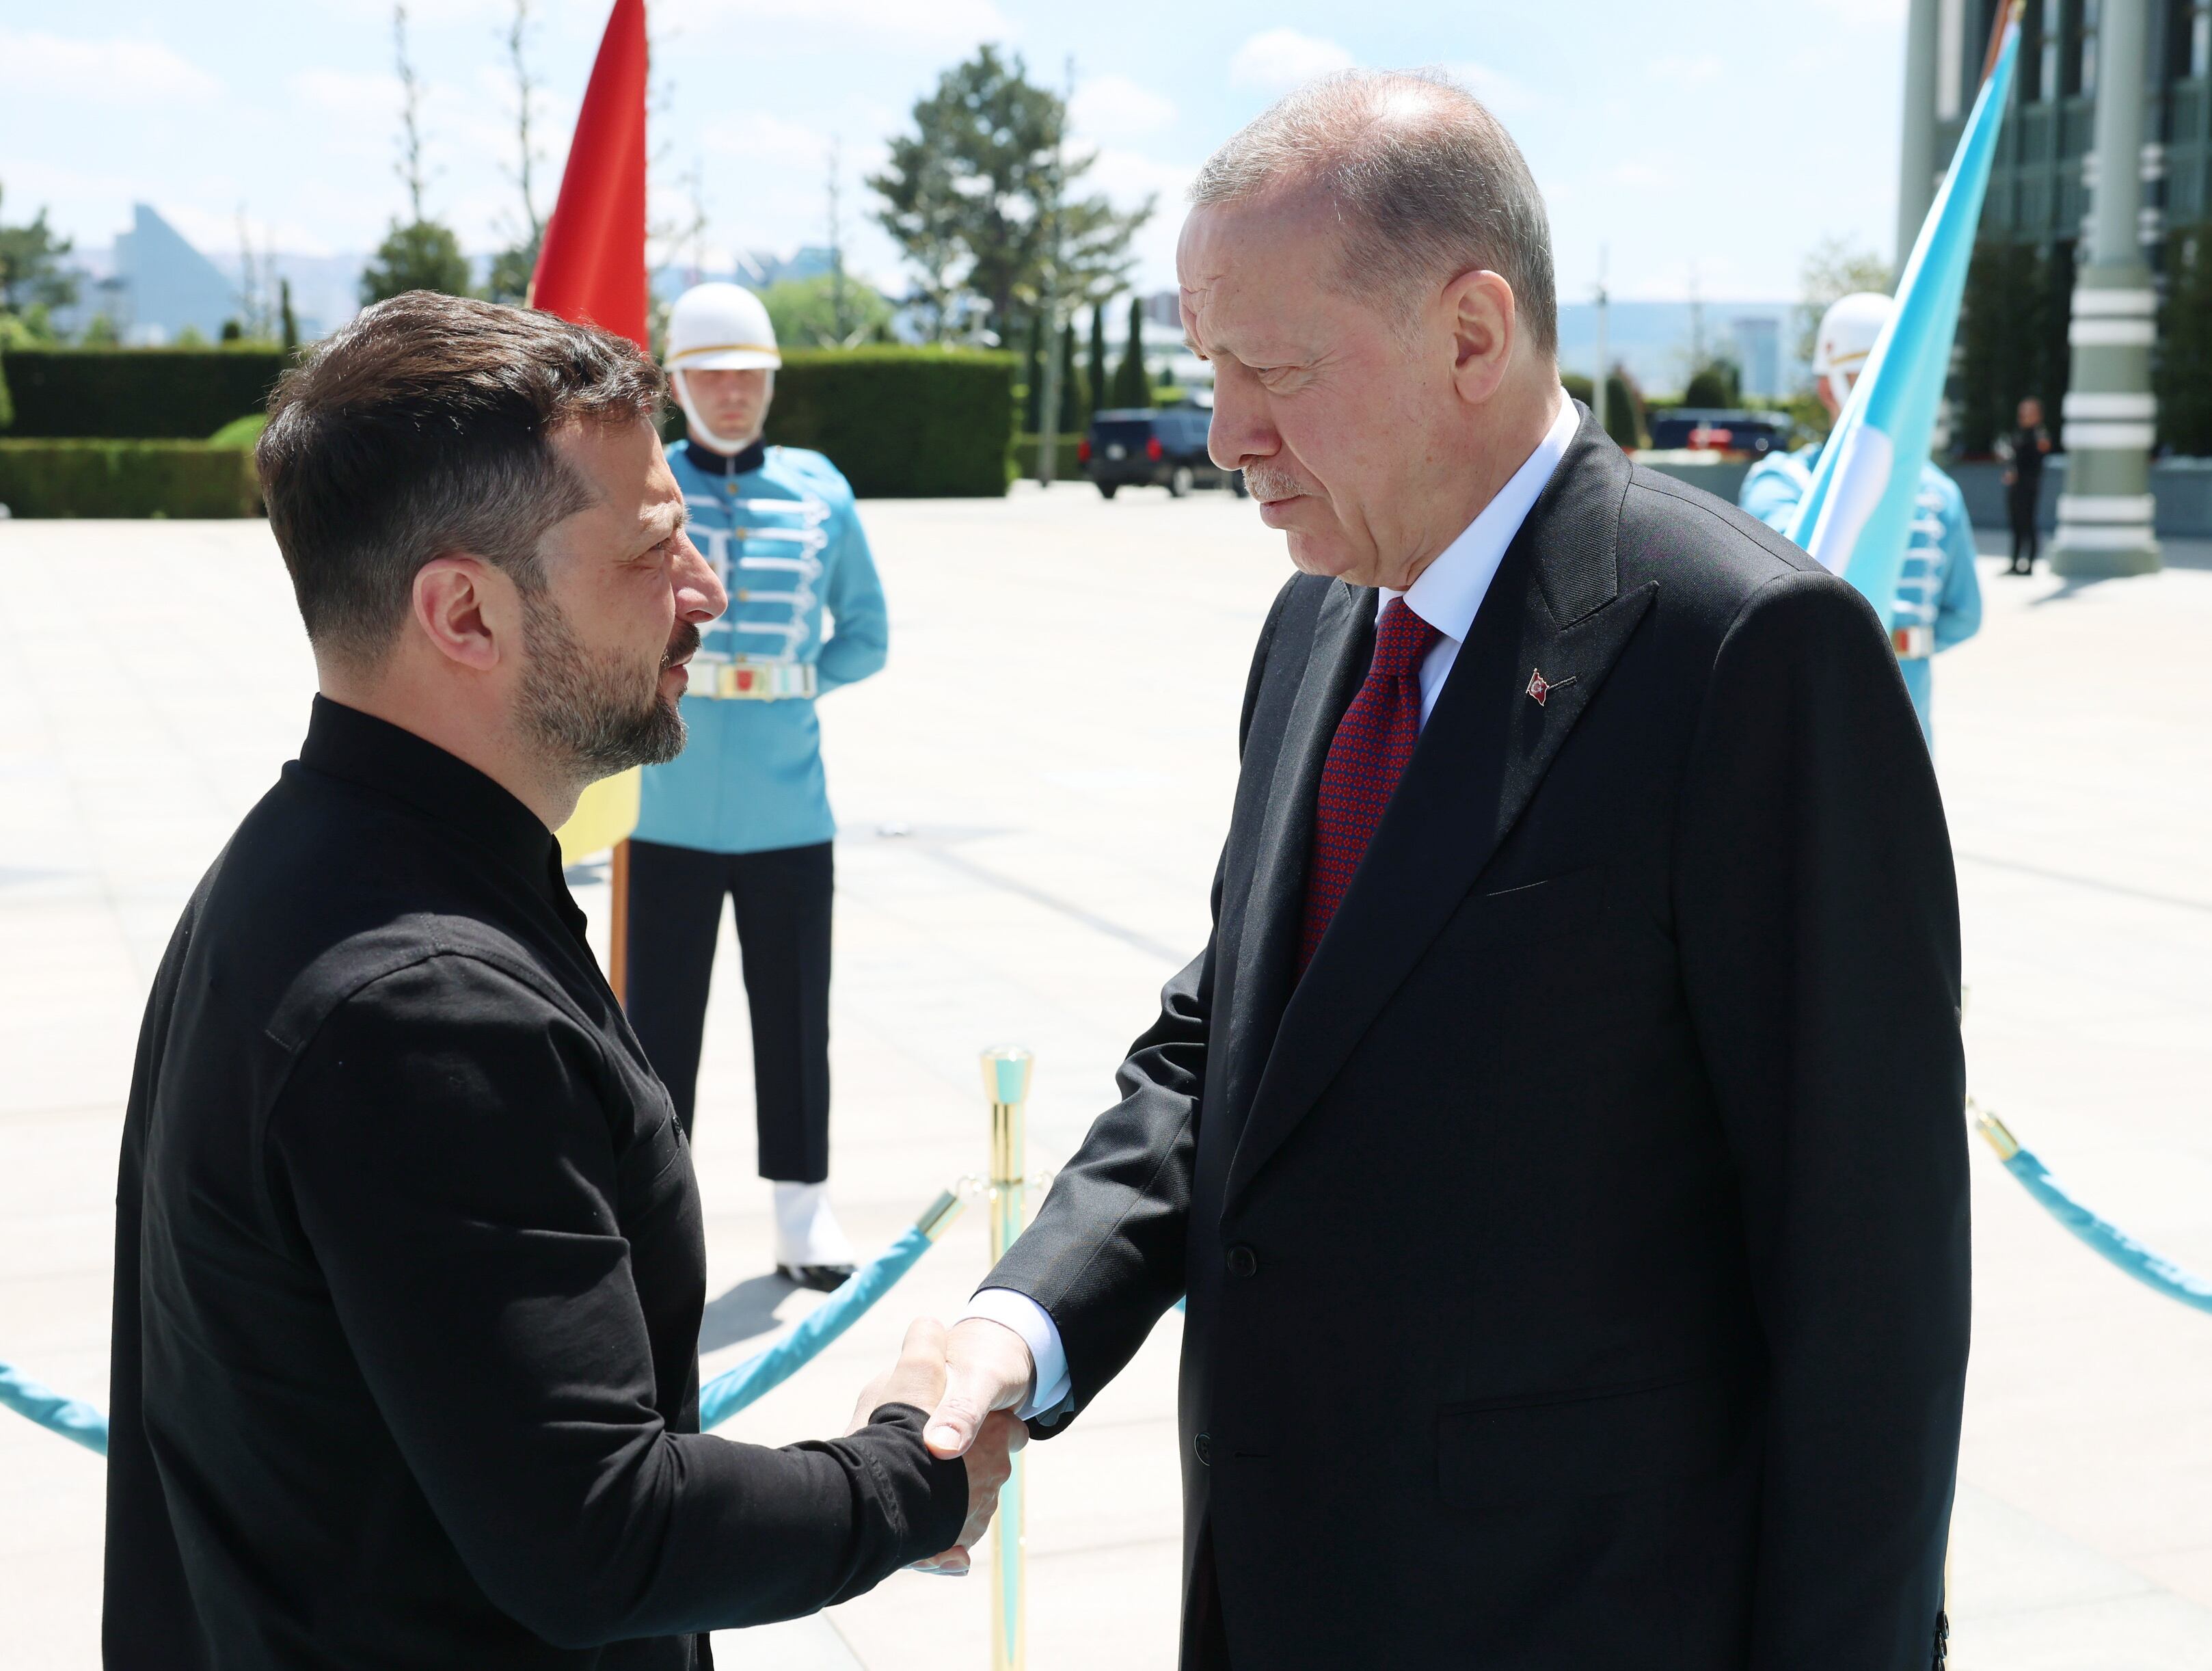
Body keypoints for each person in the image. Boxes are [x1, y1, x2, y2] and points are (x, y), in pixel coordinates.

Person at [917, 71, 1969, 1670]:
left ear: (1472, 335)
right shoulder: (1321, 619)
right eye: (1210, 368)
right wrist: (1023, 1324)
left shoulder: (1744, 653)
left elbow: (1865, 1282)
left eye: (1266, 369)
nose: (1221, 436)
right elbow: (1233, 1052)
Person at [104, 293, 1016, 1671]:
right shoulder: (421, 1005)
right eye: (652, 550)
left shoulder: (311, 864)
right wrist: (909, 1472)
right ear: (464, 611)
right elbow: (599, 1533)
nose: (704, 588)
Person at [625, 282, 889, 1292]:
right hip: (669, 807)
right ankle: (654, 1210)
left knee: (792, 1012)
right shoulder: (645, 490)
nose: (731, 392)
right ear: (679, 382)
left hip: (789, 805)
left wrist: (790, 680)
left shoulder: (820, 490)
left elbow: (866, 629)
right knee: (656, 1026)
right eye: (709, 373)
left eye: (749, 374)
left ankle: (801, 1205)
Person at [1738, 291, 1982, 747]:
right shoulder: (1784, 483)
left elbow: (1966, 612)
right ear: (1828, 387)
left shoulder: (1784, 484)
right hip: (1836, 713)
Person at [1998, 395, 2053, 574]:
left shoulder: (2039, 435)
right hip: (2016, 487)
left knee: (2028, 523)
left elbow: (2036, 460)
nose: (2024, 415)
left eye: (2029, 412)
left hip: (2029, 486)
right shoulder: (2018, 433)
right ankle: (2015, 563)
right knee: (2016, 524)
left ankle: (2029, 565)